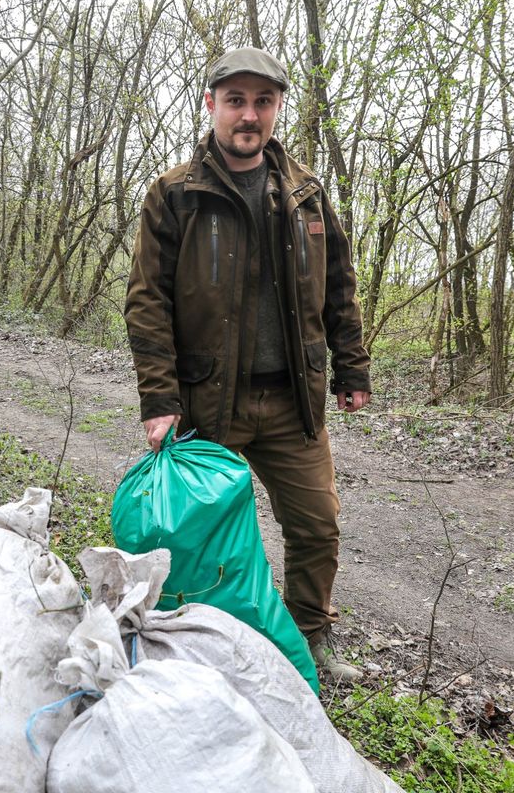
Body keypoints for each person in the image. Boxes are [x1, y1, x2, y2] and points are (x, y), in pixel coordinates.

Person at [124, 47, 372, 682]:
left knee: (317, 525)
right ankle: (198, 641)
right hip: (211, 400)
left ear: (277, 108)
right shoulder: (175, 196)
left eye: (263, 102)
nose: (249, 115)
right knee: (201, 531)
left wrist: (352, 368)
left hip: (293, 399)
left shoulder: (307, 195)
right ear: (211, 106)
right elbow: (147, 302)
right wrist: (161, 400)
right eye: (235, 100)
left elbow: (338, 285)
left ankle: (309, 636)